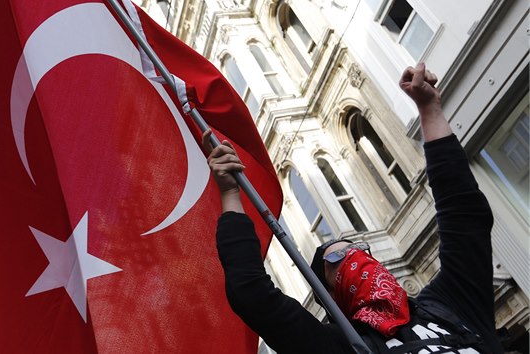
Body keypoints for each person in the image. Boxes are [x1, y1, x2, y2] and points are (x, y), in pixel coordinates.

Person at [202, 63, 505, 354]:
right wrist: (230, 194)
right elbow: (251, 295)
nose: (353, 256)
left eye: (359, 249)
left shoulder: (450, 304)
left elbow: (464, 213)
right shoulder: (344, 346)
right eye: (336, 258)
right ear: (330, 296)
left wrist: (430, 110)